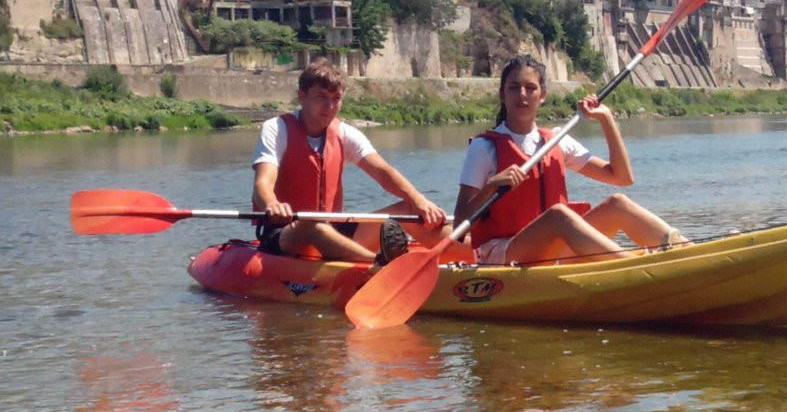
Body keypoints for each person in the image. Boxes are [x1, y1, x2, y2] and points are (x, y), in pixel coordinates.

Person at [454, 55, 685, 265]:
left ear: (542, 95)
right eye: (514, 88)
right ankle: (635, 268)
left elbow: (622, 177)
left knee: (618, 204)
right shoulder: (484, 148)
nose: (522, 95)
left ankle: (688, 253)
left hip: (551, 251)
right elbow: (458, 228)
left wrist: (606, 120)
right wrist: (491, 185)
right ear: (502, 94)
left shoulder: (557, 140)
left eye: (530, 88)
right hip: (503, 253)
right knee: (559, 216)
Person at [252, 58, 447, 263]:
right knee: (311, 223)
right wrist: (272, 204)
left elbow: (382, 171)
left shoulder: (344, 133)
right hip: (286, 233)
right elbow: (262, 184)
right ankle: (378, 263)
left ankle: (474, 255)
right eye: (321, 97)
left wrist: (419, 200)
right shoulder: (276, 129)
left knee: (409, 208)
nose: (329, 106)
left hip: (333, 229)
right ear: (302, 96)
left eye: (336, 98)